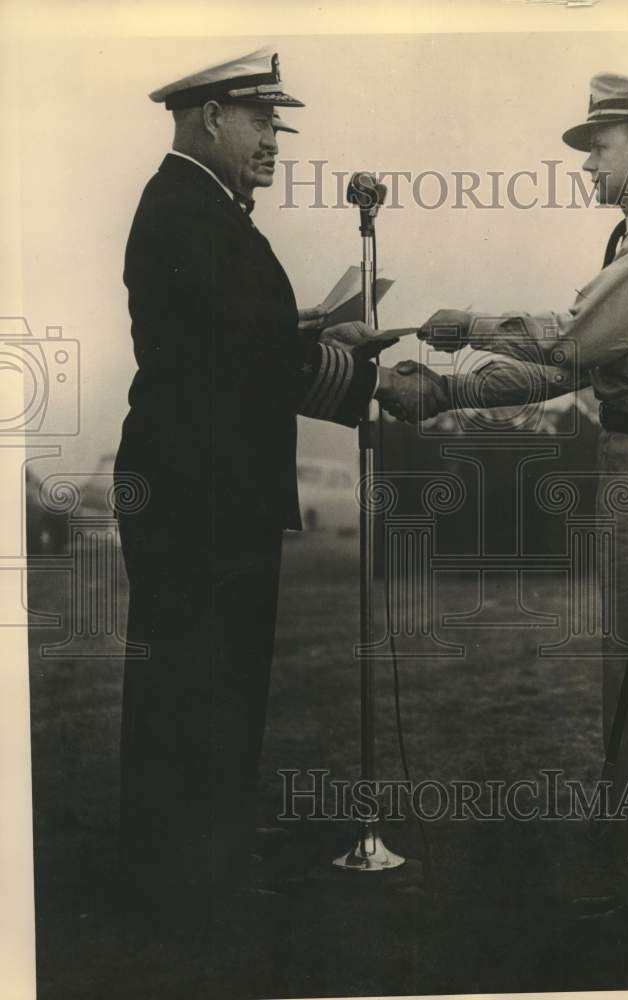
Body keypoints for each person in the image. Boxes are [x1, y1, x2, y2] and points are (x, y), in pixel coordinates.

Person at [402, 74, 628, 922]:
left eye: (600, 144)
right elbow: (574, 365)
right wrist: (443, 392)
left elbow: (570, 339)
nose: (587, 162)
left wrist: (467, 329)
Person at [114, 45, 429, 914]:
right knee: (200, 678)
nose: (274, 144)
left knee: (210, 676)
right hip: (199, 491)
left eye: (278, 127)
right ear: (212, 116)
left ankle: (199, 848)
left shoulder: (202, 207)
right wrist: (349, 367)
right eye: (261, 122)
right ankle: (189, 879)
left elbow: (231, 335)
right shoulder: (188, 211)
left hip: (209, 486)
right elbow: (236, 359)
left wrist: (306, 333)